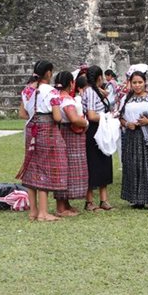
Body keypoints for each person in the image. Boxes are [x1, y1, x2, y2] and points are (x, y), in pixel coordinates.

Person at [17, 60, 67, 222]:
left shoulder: (27, 91)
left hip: (31, 129)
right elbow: (58, 116)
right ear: (48, 73)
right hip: (47, 130)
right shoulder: (52, 91)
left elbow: (22, 114)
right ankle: (44, 213)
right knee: (45, 167)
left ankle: (33, 211)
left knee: (32, 167)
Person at [119, 69, 148, 211]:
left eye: (140, 82)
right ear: (130, 84)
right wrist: (127, 124)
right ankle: (136, 199)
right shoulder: (126, 99)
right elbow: (120, 117)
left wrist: (147, 122)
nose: (137, 85)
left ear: (145, 83)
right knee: (133, 166)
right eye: (134, 83)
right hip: (132, 136)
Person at [53, 71, 88, 216]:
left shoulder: (56, 98)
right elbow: (73, 118)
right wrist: (85, 122)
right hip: (69, 136)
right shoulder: (66, 100)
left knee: (64, 167)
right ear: (71, 83)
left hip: (62, 133)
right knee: (67, 168)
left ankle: (65, 203)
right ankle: (61, 207)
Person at [82, 65, 113, 211]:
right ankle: (90, 200)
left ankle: (102, 199)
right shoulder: (91, 92)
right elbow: (92, 115)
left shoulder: (94, 90)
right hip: (95, 129)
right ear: (99, 77)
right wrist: (107, 116)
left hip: (101, 128)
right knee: (94, 164)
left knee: (103, 162)